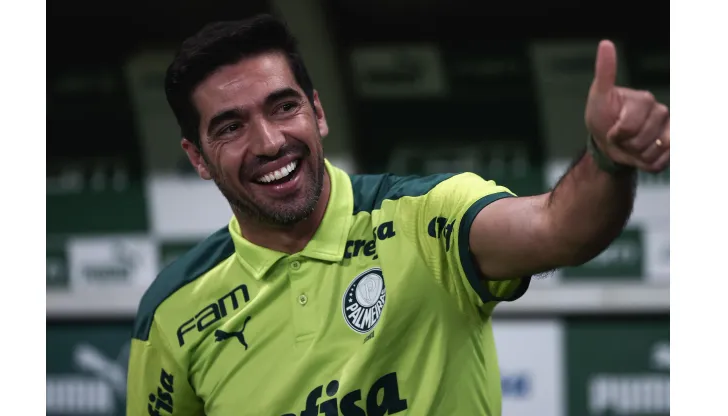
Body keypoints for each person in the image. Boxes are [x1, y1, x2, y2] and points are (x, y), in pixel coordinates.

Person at [126, 14, 669, 416]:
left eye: (283, 106)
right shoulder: (173, 310)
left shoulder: (424, 216)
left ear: (317, 112)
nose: (269, 142)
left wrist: (606, 158)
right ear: (197, 157)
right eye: (230, 127)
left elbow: (559, 229)